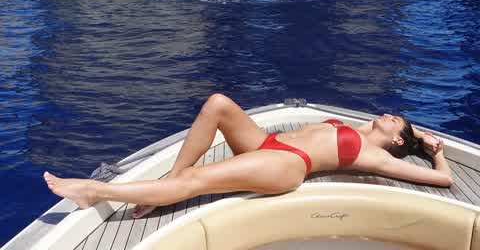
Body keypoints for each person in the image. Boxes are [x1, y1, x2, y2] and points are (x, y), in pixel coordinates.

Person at [43, 94, 453, 217]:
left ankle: (96, 191)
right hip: (266, 144)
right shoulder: (358, 127)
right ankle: (167, 184)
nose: (389, 115)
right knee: (218, 104)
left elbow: (444, 179)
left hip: (287, 165)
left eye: (396, 121)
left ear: (396, 140)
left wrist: (436, 152)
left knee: (196, 182)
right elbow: (399, 131)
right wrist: (419, 136)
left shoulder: (377, 156)